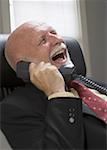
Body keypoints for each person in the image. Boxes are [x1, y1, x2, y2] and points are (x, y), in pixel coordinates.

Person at [0, 21, 107, 150]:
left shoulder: (87, 84)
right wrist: (58, 93)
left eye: (54, 33)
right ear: (24, 66)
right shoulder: (15, 109)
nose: (58, 39)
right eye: (43, 40)